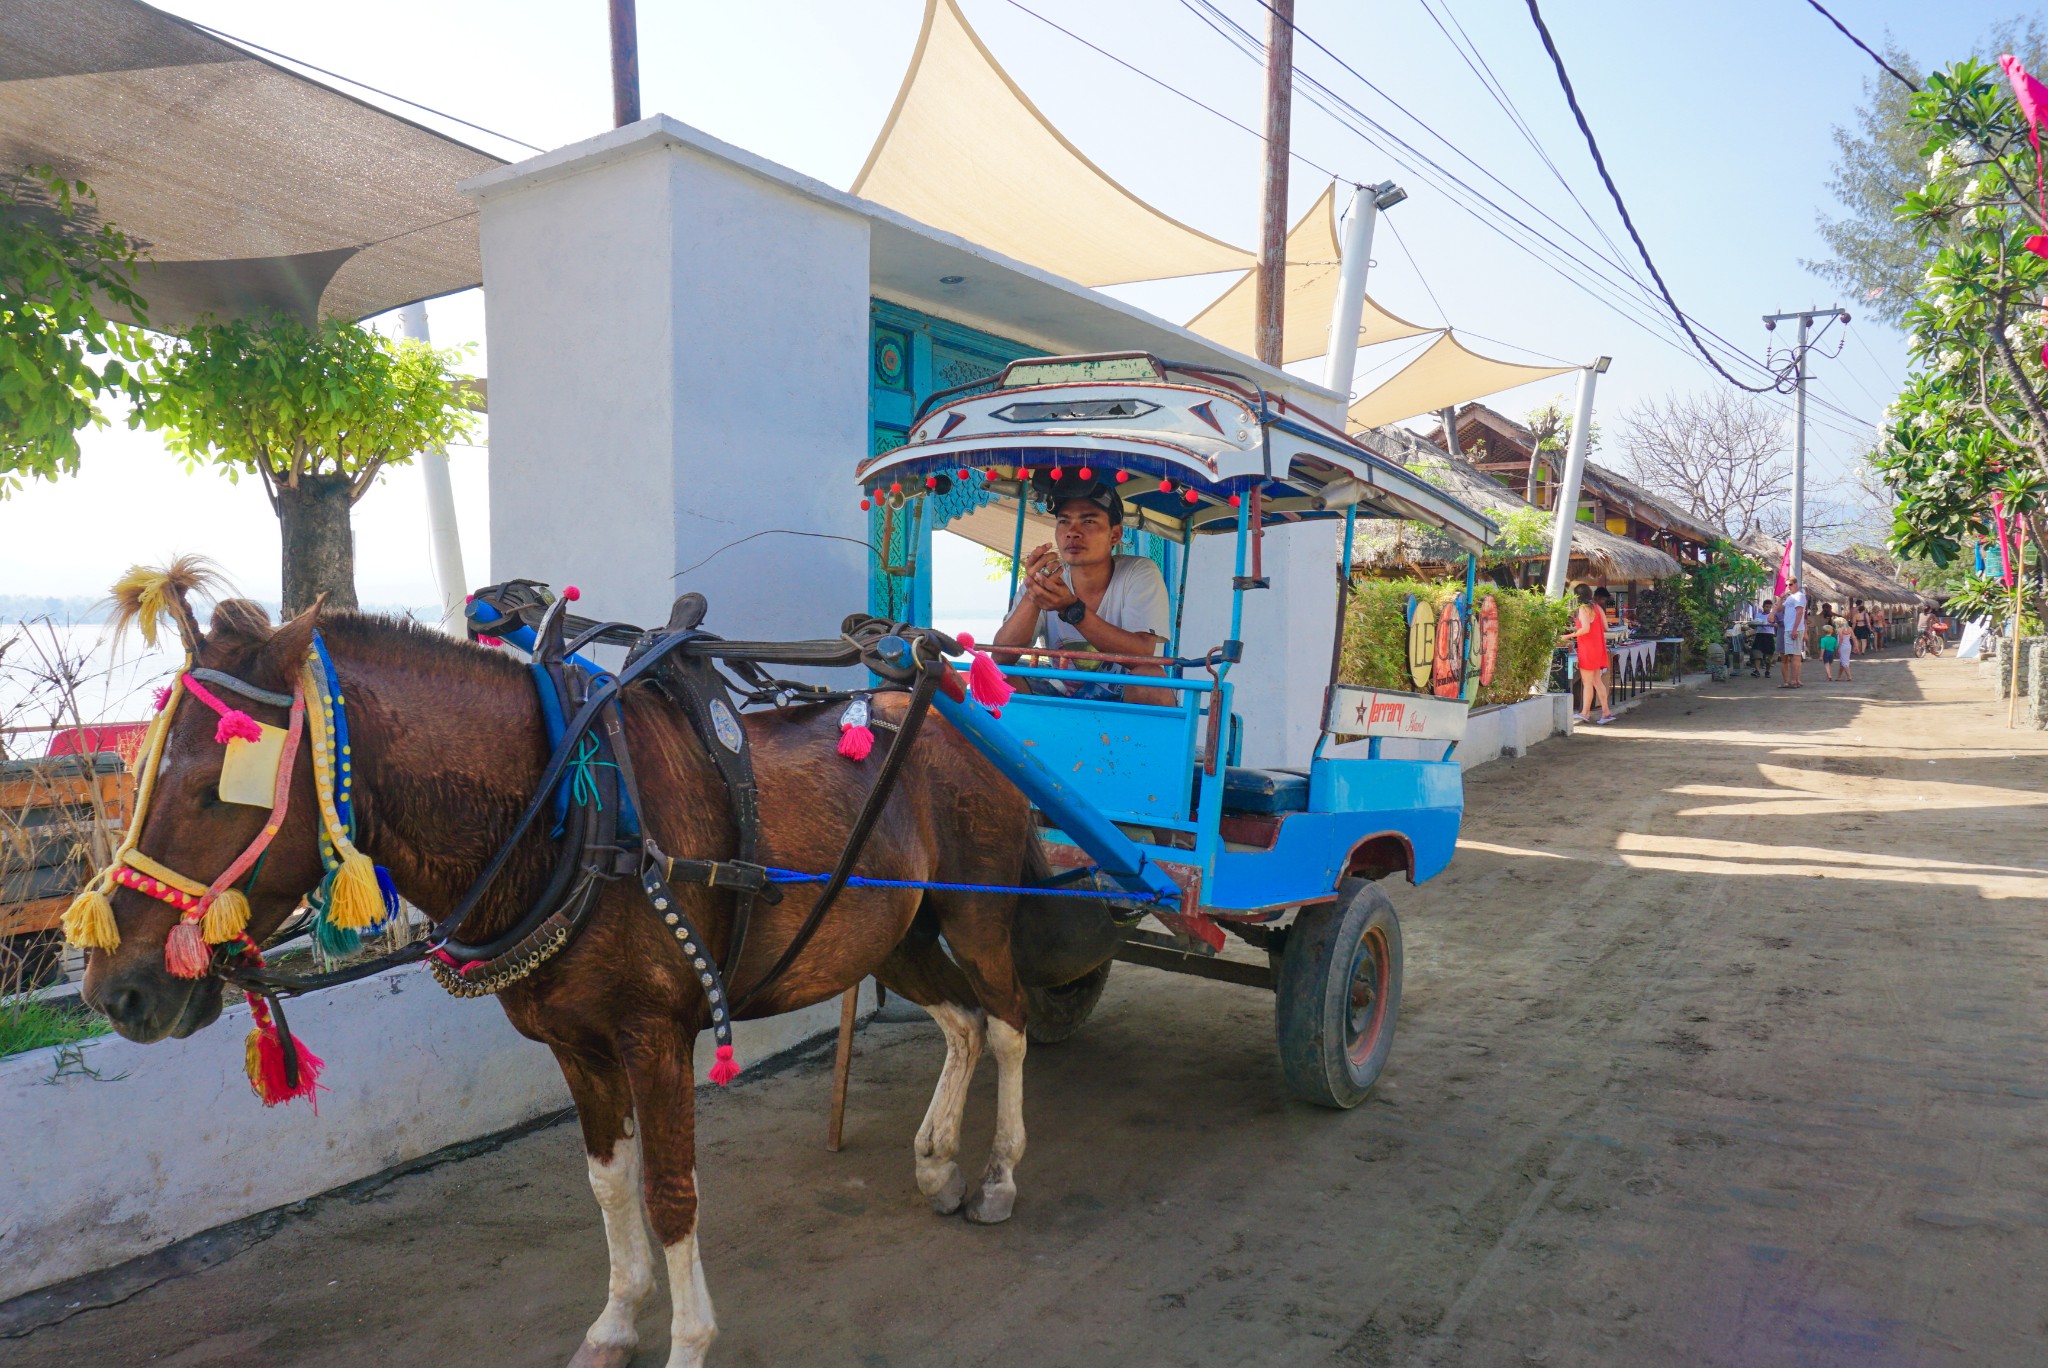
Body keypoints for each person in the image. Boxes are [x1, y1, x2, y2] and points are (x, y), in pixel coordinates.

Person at [993, 474, 1172, 705]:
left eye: (1088, 521)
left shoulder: (1139, 572)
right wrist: (1033, 593)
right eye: (1064, 521)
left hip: (1122, 697)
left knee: (1149, 677)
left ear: (1115, 535)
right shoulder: (1048, 579)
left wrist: (1072, 609)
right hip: (1061, 697)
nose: (1072, 532)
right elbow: (1000, 656)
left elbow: (1143, 653)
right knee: (1001, 677)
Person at [1570, 584, 1614, 724]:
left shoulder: (1583, 609)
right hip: (1598, 647)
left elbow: (1585, 629)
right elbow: (1605, 627)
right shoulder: (1597, 608)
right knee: (1596, 681)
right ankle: (1606, 711)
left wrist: (1567, 636)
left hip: (1587, 647)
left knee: (1587, 682)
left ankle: (1585, 713)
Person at [1779, 575, 1807, 688]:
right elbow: (1781, 608)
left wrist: (1795, 629)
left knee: (1794, 656)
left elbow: (1800, 612)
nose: (1788, 587)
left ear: (1796, 584)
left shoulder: (1799, 596)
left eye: (1790, 584)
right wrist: (1781, 598)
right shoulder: (1791, 597)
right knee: (1793, 655)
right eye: (1786, 585)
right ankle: (1794, 680)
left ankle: (1794, 680)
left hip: (1793, 629)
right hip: (1789, 628)